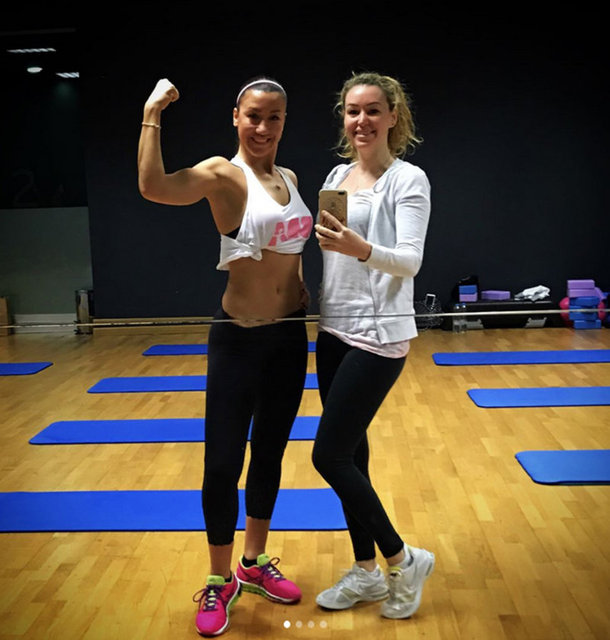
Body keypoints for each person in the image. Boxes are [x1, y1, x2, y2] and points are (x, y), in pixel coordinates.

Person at [138, 76, 313, 637]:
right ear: (236, 116)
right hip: (238, 339)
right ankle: (219, 580)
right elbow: (153, 187)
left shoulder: (291, 179)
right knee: (221, 464)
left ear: (284, 122)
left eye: (274, 117)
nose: (263, 127)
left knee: (270, 455)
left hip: (289, 338)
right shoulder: (223, 174)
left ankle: (254, 564)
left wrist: (303, 289)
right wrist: (153, 112)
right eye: (253, 116)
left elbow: (291, 254)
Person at [312, 71, 434, 620]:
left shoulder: (408, 180)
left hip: (380, 334)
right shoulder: (337, 175)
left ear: (392, 117)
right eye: (352, 111)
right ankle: (366, 572)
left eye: (372, 110)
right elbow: (328, 248)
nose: (361, 120)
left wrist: (361, 248)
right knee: (352, 456)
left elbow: (410, 260)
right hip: (333, 329)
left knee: (328, 455)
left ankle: (404, 559)